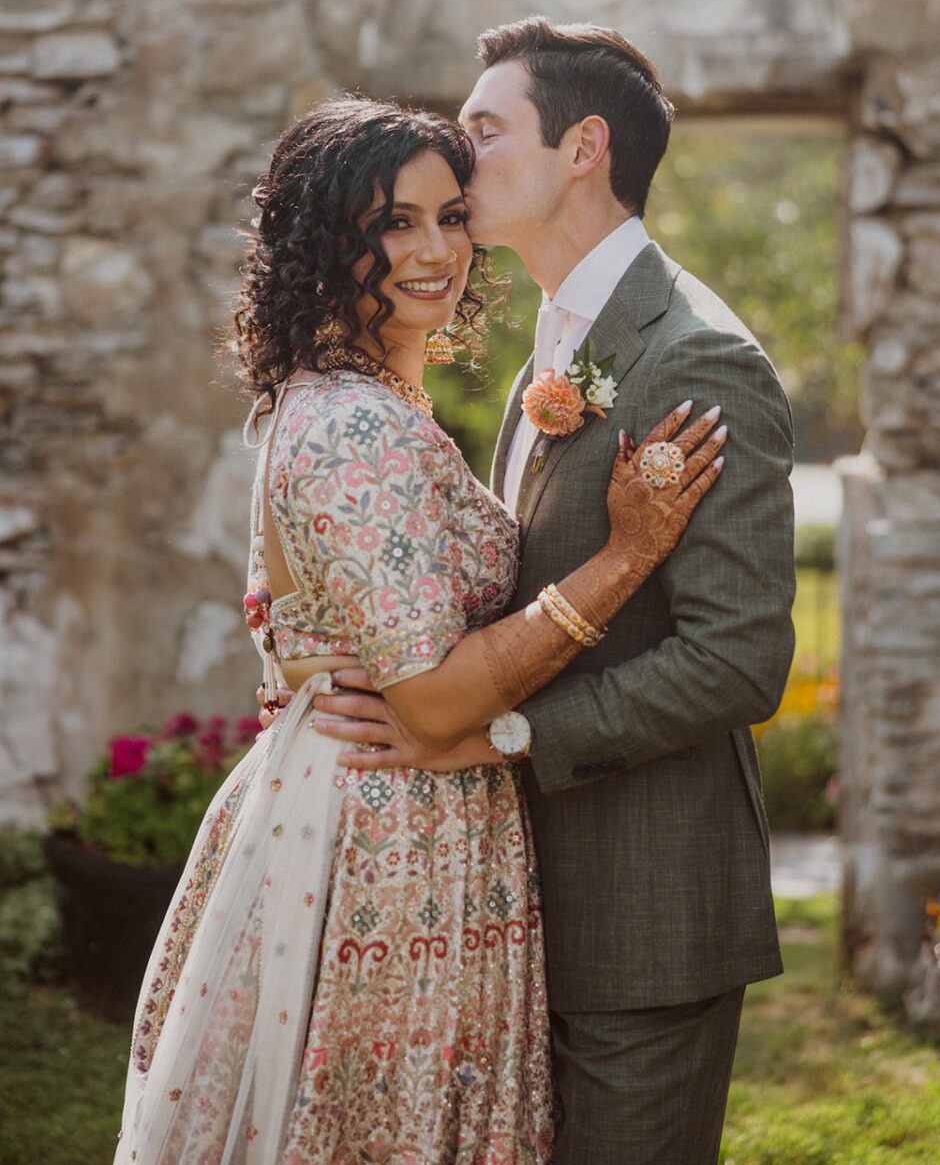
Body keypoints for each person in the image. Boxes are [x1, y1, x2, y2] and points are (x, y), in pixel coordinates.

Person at [114, 96, 725, 1164]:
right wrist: (625, 558)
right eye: (394, 223)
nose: (435, 249)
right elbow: (434, 699)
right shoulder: (356, 427)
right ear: (322, 240)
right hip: (384, 847)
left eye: (450, 215)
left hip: (397, 816)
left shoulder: (367, 399)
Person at [313, 21, 796, 1165]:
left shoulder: (696, 359)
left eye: (485, 130)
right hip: (530, 898)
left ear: (584, 147)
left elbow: (737, 661)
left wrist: (499, 737)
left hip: (645, 911)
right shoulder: (556, 347)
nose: (457, 153)